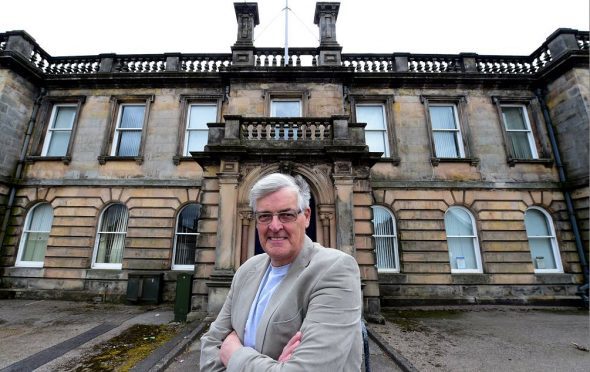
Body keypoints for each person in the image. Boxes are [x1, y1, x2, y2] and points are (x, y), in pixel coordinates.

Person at [200, 173, 362, 371]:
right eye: (264, 216)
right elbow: (210, 345)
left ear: (307, 217)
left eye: (287, 215)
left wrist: (233, 353)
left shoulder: (335, 269)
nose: (275, 226)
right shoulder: (247, 270)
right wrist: (275, 366)